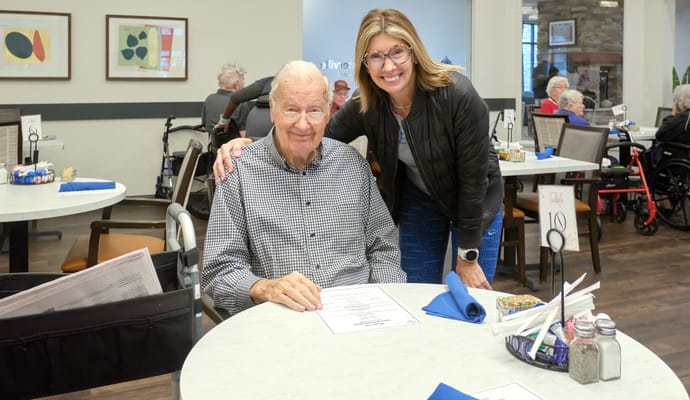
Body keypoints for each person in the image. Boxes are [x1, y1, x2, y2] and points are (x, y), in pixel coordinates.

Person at [214, 8, 503, 289]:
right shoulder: (367, 103)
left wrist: (467, 255)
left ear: (414, 52)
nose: (388, 66)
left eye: (397, 52)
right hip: (421, 198)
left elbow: (473, 181)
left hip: (475, 201)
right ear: (364, 63)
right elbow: (312, 131)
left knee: (470, 295)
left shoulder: (456, 94)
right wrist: (251, 147)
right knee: (416, 289)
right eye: (376, 56)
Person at [202, 60, 406, 317]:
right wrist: (265, 288)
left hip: (358, 315)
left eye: (314, 111)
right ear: (273, 110)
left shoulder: (353, 167)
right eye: (290, 110)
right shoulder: (239, 173)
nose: (302, 124)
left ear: (328, 114)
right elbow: (218, 271)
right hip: (282, 321)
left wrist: (380, 301)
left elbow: (384, 246)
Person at [201, 63, 252, 135]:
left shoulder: (209, 99)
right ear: (237, 84)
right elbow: (244, 135)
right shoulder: (241, 103)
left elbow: (205, 125)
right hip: (234, 146)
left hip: (213, 145)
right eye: (243, 80)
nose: (244, 84)